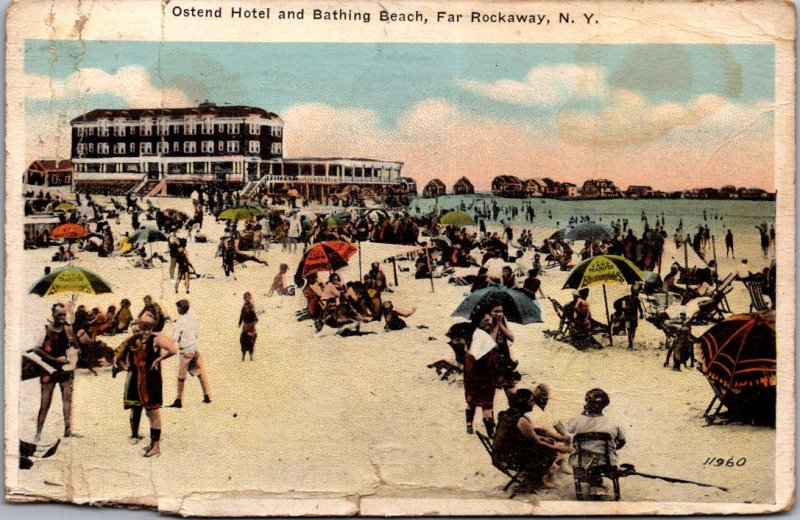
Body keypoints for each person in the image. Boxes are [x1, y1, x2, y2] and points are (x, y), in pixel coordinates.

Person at [493, 386, 571, 491]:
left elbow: (525, 434)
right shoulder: (521, 420)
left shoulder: (509, 413)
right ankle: (536, 480)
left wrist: (543, 438)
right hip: (509, 458)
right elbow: (537, 442)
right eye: (531, 401)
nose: (533, 403)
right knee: (549, 453)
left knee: (542, 436)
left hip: (501, 453)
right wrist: (557, 448)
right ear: (523, 403)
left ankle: (539, 477)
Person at [122, 313, 178, 457]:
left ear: (152, 328)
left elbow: (173, 349)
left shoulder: (155, 339)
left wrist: (159, 359)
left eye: (149, 328)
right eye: (143, 328)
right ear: (139, 327)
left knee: (154, 412)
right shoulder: (138, 340)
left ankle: (157, 446)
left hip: (151, 380)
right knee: (148, 412)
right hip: (141, 379)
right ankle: (152, 443)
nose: (146, 331)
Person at [34, 303, 80, 443]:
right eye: (59, 314)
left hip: (65, 369)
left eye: (63, 314)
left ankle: (67, 430)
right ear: (52, 314)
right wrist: (54, 359)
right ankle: (38, 433)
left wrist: (73, 353)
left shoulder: (67, 329)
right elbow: (36, 349)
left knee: (67, 399)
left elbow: (77, 347)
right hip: (48, 368)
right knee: (45, 402)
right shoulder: (45, 329)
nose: (61, 317)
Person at [567, 389, 626, 495]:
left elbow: (569, 430)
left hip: (582, 463)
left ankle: (593, 482)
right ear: (605, 405)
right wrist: (609, 450)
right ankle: (598, 482)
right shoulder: (613, 422)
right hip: (606, 463)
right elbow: (622, 442)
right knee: (607, 450)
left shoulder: (576, 420)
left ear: (587, 402)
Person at [168, 300, 211, 408]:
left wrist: (172, 329)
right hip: (194, 348)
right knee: (199, 372)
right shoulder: (192, 317)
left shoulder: (180, 321)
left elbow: (174, 338)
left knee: (181, 377)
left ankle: (178, 400)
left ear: (181, 309)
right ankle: (207, 395)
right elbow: (196, 334)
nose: (177, 310)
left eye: (178, 308)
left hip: (185, 351)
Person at [464, 312, 498, 436]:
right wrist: (497, 325)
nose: (489, 322)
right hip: (484, 374)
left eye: (490, 320)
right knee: (487, 405)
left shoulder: (474, 333)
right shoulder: (482, 335)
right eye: (486, 320)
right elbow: (491, 346)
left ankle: (469, 424)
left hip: (471, 373)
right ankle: (491, 432)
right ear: (479, 321)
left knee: (471, 400)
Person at [239, 292, 258, 361]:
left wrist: (253, 324)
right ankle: (243, 356)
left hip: (250, 325)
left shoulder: (251, 306)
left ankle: (251, 356)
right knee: (242, 339)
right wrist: (240, 322)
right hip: (245, 325)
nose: (246, 299)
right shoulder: (244, 306)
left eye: (247, 297)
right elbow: (241, 315)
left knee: (251, 339)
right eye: (245, 298)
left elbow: (255, 317)